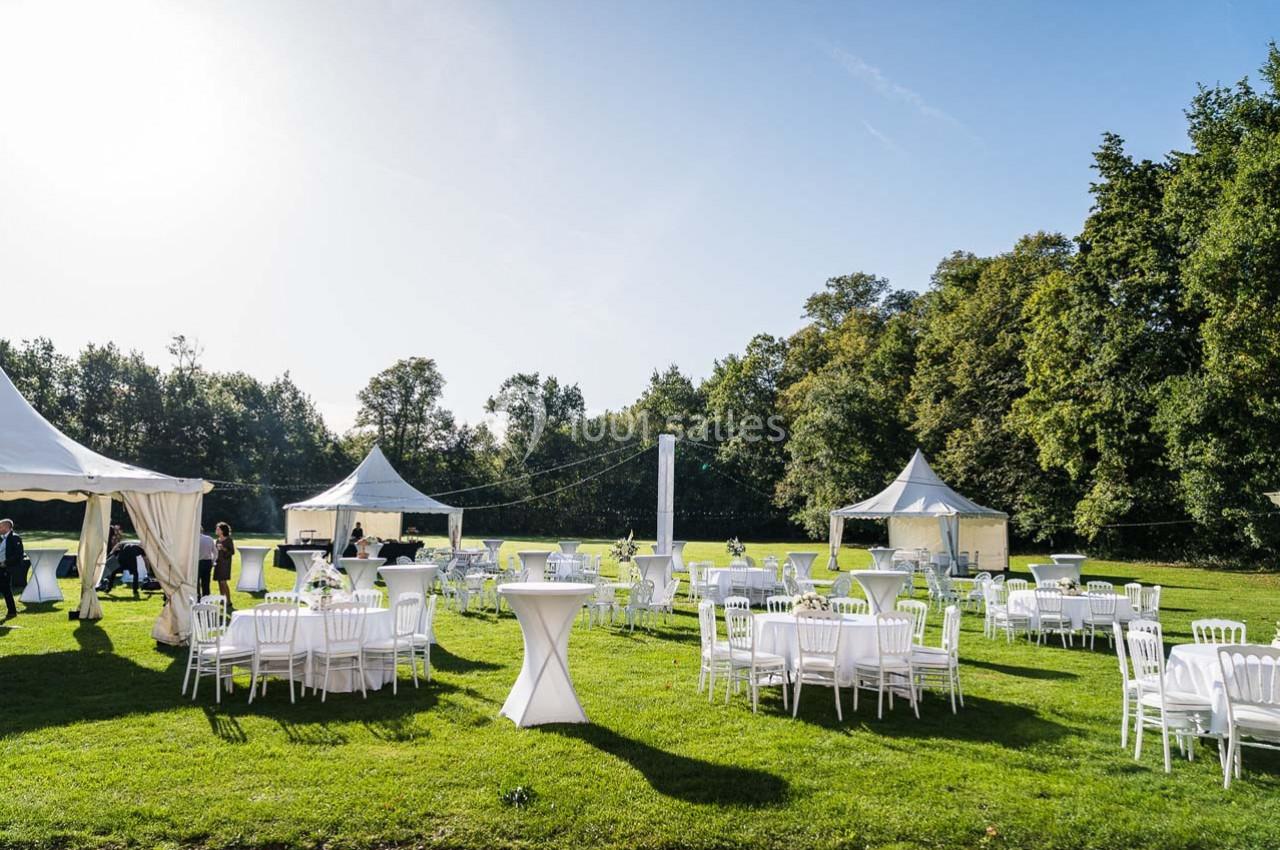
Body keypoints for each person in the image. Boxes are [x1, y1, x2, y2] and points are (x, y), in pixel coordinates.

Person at [0, 518, 23, 620]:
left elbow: (18, 555)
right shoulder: (1, 538)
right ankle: (12, 611)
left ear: (6, 527)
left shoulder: (15, 538)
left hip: (7, 568)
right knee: (5, 589)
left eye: (0, 526)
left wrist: (6, 563)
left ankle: (12, 611)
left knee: (6, 590)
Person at [213, 522, 235, 607]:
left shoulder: (229, 540)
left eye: (218, 529)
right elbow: (216, 551)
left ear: (222, 531)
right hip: (218, 563)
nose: (216, 530)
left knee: (223, 582)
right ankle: (222, 600)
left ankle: (229, 601)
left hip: (225, 563)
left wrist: (223, 548)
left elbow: (232, 552)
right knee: (219, 581)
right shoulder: (218, 540)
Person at [197, 527, 216, 599]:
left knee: (196, 583)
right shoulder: (209, 538)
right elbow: (215, 552)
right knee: (206, 583)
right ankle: (206, 599)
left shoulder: (194, 539)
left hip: (198, 562)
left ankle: (198, 599)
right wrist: (213, 561)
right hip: (208, 562)